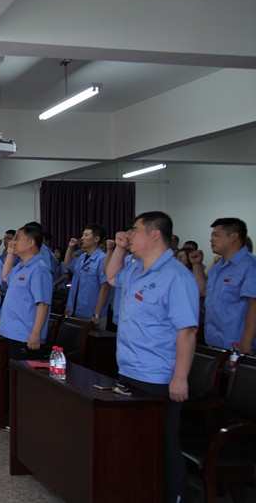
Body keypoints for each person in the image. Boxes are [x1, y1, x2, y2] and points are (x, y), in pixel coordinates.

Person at [105, 211, 198, 503]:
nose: (129, 234)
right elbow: (111, 277)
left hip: (158, 376)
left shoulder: (176, 276)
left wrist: (180, 378)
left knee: (163, 443)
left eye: (135, 230)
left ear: (155, 234)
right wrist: (120, 249)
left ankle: (174, 497)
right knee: (136, 441)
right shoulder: (135, 268)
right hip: (129, 369)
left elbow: (187, 331)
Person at [189, 217, 256, 354]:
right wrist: (196, 265)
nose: (211, 240)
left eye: (216, 235)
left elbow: (254, 305)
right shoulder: (218, 267)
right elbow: (204, 291)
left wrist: (246, 342)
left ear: (234, 237)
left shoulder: (250, 266)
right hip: (214, 340)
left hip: (237, 342)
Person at [0, 225, 52, 360]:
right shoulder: (20, 266)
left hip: (25, 334)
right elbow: (5, 277)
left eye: (18, 238)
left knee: (21, 371)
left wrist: (36, 333)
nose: (13, 242)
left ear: (31, 242)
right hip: (10, 330)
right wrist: (10, 254)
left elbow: (43, 304)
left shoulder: (39, 269)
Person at [64, 223, 110, 327]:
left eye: (86, 235)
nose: (82, 238)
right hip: (75, 310)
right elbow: (67, 265)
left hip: (91, 313)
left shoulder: (103, 259)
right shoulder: (82, 257)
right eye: (83, 235)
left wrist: (97, 314)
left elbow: (105, 288)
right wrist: (70, 247)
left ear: (96, 239)